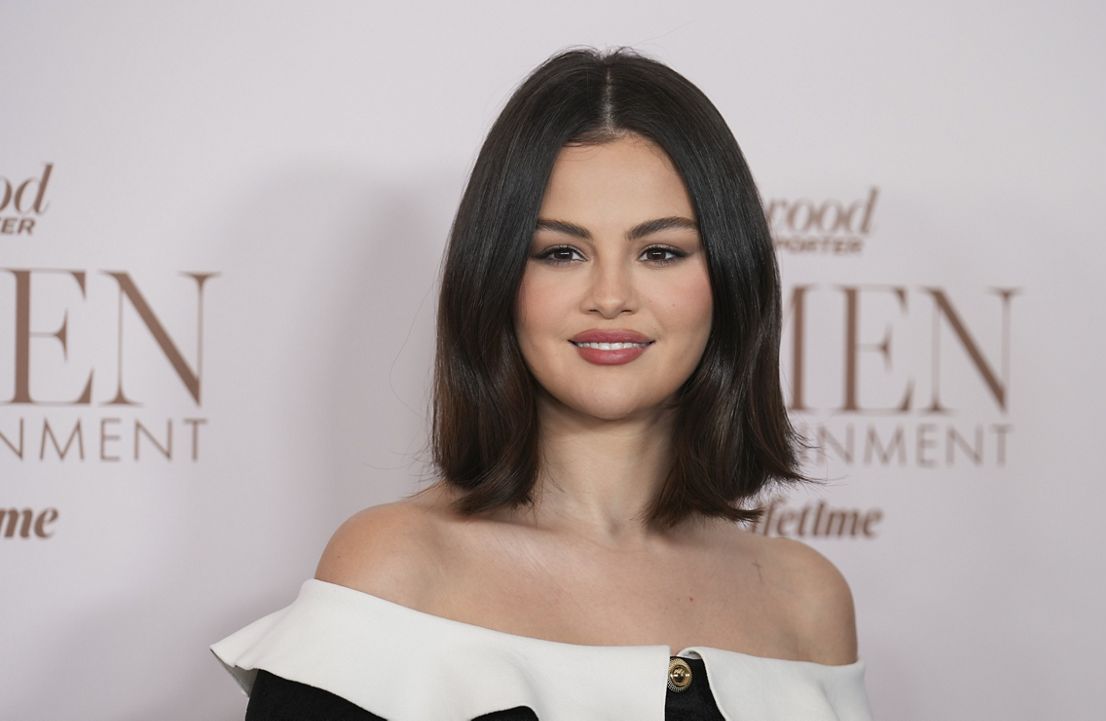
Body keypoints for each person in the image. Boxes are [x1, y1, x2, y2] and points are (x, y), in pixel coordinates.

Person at [211, 45, 874, 720]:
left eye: (660, 251)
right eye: (561, 251)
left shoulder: (807, 598)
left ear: (730, 280)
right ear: (497, 279)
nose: (610, 296)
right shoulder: (394, 569)